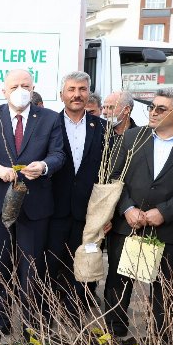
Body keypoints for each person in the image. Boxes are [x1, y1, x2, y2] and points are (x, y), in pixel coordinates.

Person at [105, 88, 173, 340]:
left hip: (170, 230)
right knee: (118, 286)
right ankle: (113, 338)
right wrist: (128, 208)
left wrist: (163, 212)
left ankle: (158, 344)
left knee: (164, 292)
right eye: (151, 107)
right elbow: (115, 176)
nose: (153, 112)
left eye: (161, 109)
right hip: (129, 226)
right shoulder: (132, 138)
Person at [0, 69, 65, 336]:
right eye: (14, 86)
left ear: (33, 88)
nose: (20, 90)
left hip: (35, 206)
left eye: (25, 85)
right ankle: (2, 320)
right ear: (4, 91)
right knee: (1, 265)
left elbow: (58, 154)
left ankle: (30, 323)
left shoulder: (49, 118)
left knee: (31, 268)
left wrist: (44, 166)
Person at [46, 72, 105, 326]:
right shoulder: (48, 124)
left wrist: (106, 214)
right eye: (71, 89)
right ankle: (47, 312)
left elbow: (107, 173)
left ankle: (74, 313)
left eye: (82, 89)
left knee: (82, 263)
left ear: (88, 93)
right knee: (50, 262)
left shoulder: (102, 128)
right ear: (62, 94)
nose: (77, 94)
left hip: (88, 210)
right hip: (53, 208)